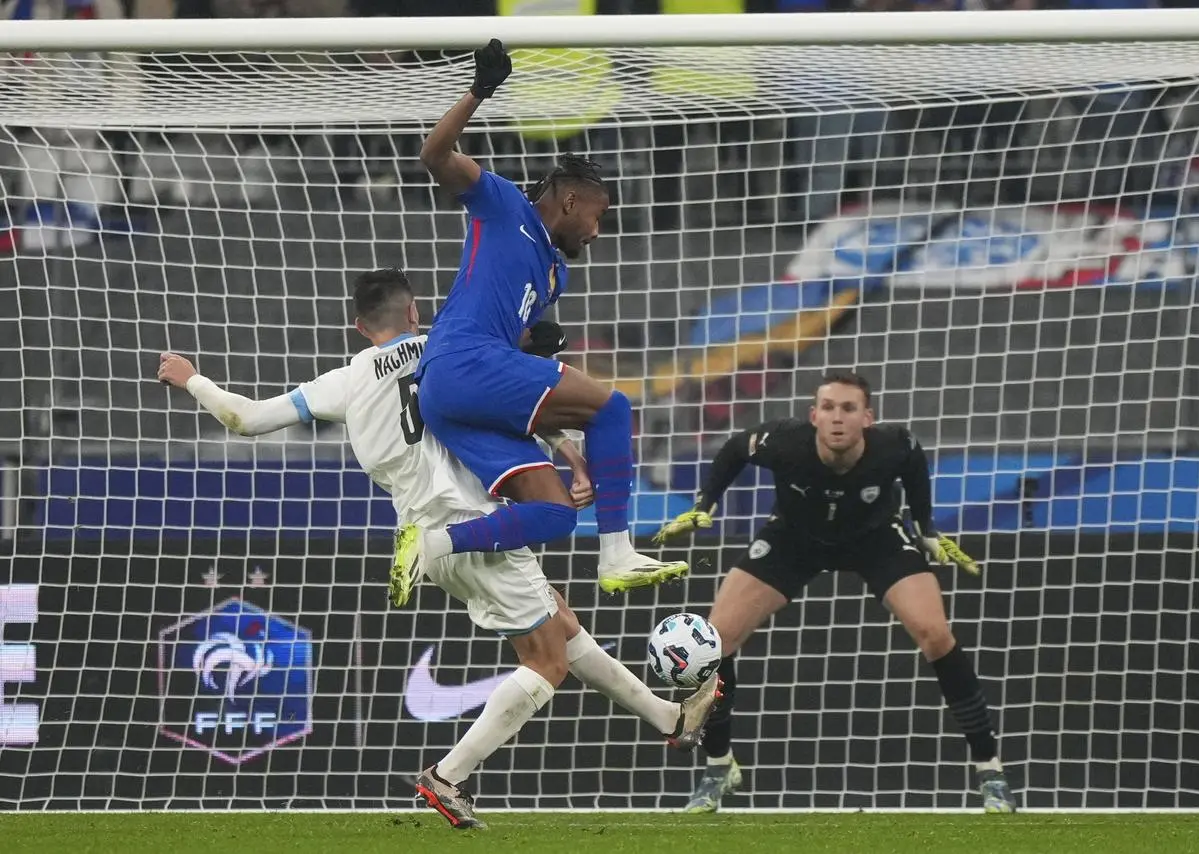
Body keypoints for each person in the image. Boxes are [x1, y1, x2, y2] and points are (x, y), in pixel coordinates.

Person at [156, 267, 720, 830]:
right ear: (414, 312)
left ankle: (669, 718)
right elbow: (517, 399)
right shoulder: (445, 350)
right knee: (546, 662)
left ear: (359, 326)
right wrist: (571, 455)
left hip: (426, 535)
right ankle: (448, 776)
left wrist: (192, 380)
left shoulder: (345, 381)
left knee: (560, 623)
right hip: (479, 524)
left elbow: (245, 418)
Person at [398, 38, 688, 605]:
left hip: (458, 398)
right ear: (574, 201)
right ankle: (617, 553)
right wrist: (480, 91)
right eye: (599, 217)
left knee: (554, 513)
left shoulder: (557, 276)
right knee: (615, 405)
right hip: (460, 361)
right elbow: (433, 155)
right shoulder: (503, 205)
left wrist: (576, 457)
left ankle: (433, 544)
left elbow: (527, 383)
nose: (598, 233)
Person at [654, 370, 1017, 814]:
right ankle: (719, 766)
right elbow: (733, 449)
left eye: (848, 409)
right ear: (814, 416)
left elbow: (914, 464)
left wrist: (925, 530)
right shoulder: (784, 441)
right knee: (714, 642)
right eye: (828, 408)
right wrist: (705, 503)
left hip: (875, 539)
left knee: (935, 634)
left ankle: (990, 770)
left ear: (867, 417)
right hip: (793, 540)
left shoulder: (893, 445)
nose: (837, 418)